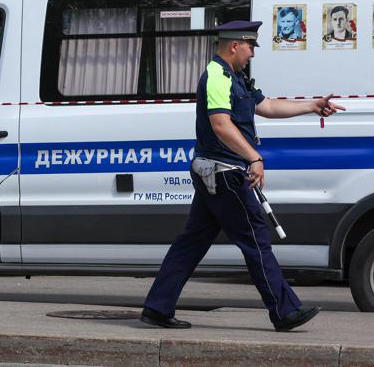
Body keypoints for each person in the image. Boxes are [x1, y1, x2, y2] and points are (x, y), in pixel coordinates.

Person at [141, 20, 345, 332]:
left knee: (191, 243)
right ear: (234, 45)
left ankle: (157, 307)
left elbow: (269, 106)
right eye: (250, 46)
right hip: (225, 173)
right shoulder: (216, 77)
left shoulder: (236, 77)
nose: (252, 53)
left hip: (218, 173)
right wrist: (254, 157)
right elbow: (221, 124)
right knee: (256, 239)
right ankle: (285, 311)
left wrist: (313, 105)